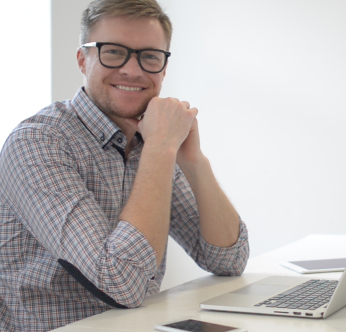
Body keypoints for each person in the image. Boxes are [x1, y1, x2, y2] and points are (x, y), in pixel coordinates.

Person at [0, 0, 249, 331]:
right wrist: (161, 149)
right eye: (114, 52)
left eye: (149, 56)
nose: (133, 70)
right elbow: (120, 284)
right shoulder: (38, 143)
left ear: (163, 68)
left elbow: (229, 260)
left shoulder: (151, 141)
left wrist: (193, 158)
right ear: (82, 59)